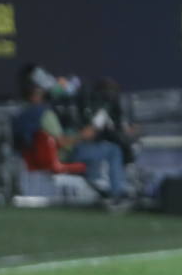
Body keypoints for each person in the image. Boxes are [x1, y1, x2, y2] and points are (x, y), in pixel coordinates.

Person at [11, 75, 130, 203]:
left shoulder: (22, 114)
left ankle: (97, 190)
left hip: (39, 157)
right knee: (113, 150)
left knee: (94, 152)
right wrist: (82, 135)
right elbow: (62, 142)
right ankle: (117, 194)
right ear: (35, 95)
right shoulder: (45, 114)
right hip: (65, 155)